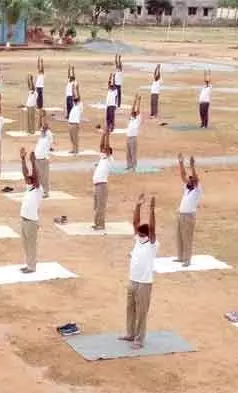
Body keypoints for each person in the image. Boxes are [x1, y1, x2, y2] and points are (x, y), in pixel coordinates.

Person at [121, 195, 158, 350]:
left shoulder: (152, 244)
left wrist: (151, 210)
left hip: (144, 283)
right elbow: (135, 222)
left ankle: (139, 339)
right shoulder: (138, 240)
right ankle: (130, 334)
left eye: (142, 233)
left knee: (142, 312)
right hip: (133, 280)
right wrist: (138, 205)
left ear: (148, 234)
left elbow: (153, 227)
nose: (139, 234)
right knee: (130, 308)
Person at [176, 153, 202, 266]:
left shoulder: (197, 190)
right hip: (181, 215)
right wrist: (181, 163)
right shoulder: (187, 189)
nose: (189, 181)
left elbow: (196, 179)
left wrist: (192, 166)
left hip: (189, 216)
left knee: (187, 238)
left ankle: (187, 259)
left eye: (191, 180)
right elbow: (183, 176)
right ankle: (181, 257)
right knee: (180, 236)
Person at [19, 148, 43, 273]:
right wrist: (23, 159)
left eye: (30, 178)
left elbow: (35, 176)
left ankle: (32, 267)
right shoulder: (29, 188)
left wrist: (33, 162)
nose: (27, 179)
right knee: (26, 245)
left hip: (31, 222)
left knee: (31, 245)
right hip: (24, 220)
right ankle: (28, 264)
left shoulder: (38, 189)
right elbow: (25, 173)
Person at [92, 131, 113, 230]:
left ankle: (101, 224)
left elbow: (106, 146)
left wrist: (108, 136)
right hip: (96, 185)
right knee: (96, 206)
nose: (103, 151)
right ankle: (97, 223)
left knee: (101, 206)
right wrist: (103, 134)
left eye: (105, 150)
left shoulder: (109, 159)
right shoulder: (102, 158)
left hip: (102, 186)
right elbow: (101, 145)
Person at [34, 111, 53, 198]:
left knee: (44, 177)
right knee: (38, 176)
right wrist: (40, 117)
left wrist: (44, 116)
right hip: (37, 158)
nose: (42, 128)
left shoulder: (49, 135)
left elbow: (44, 126)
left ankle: (46, 192)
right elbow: (40, 126)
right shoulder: (42, 136)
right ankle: (39, 190)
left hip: (43, 159)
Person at [125, 94, 142, 170]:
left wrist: (139, 101)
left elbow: (137, 110)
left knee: (133, 153)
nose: (131, 113)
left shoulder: (137, 119)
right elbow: (132, 109)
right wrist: (134, 100)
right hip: (128, 137)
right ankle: (129, 165)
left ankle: (134, 166)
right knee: (128, 153)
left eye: (133, 113)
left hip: (133, 138)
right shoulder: (131, 118)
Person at [68, 83, 83, 155]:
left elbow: (78, 97)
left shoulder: (80, 106)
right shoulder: (75, 105)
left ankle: (76, 150)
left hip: (75, 124)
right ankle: (73, 149)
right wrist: (72, 89)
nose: (75, 100)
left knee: (75, 138)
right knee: (72, 138)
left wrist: (77, 89)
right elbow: (74, 96)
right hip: (70, 123)